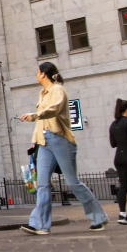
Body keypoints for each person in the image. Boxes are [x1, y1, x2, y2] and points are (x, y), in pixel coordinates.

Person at [19, 62, 108, 235]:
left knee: (73, 182)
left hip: (60, 139)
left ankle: (99, 217)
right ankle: (40, 225)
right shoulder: (42, 93)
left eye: (37, 72)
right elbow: (42, 122)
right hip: (44, 141)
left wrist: (34, 115)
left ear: (43, 74)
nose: (36, 75)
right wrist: (35, 141)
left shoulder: (58, 90)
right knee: (42, 184)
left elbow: (54, 110)